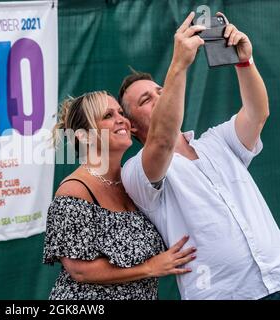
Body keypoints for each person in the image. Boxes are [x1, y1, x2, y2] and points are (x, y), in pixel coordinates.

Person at [119, 12, 280, 299]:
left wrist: (244, 61)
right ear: (131, 126)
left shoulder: (216, 140)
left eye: (160, 91)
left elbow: (258, 114)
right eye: (146, 99)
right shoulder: (135, 171)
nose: (158, 97)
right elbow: (161, 140)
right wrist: (178, 64)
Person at [43, 91, 196, 299]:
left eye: (121, 112)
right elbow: (79, 270)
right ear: (83, 136)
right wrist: (150, 267)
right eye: (108, 116)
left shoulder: (133, 182)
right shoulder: (74, 191)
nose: (121, 120)